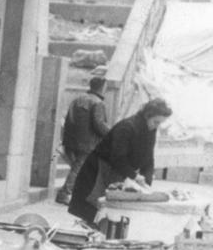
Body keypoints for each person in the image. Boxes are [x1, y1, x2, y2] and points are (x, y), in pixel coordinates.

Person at [67, 97, 173, 229]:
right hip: (99, 170)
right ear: (147, 115)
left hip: (119, 171)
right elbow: (118, 157)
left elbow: (148, 159)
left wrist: (147, 183)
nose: (157, 126)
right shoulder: (126, 127)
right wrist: (134, 176)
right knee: (95, 212)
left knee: (113, 216)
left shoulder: (150, 129)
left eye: (159, 123)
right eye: (156, 122)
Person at [56, 76, 109, 205]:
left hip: (71, 140)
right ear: (102, 88)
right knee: (78, 169)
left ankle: (75, 194)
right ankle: (64, 193)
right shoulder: (98, 103)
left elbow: (69, 119)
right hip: (88, 143)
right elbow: (99, 124)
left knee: (77, 168)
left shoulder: (77, 99)